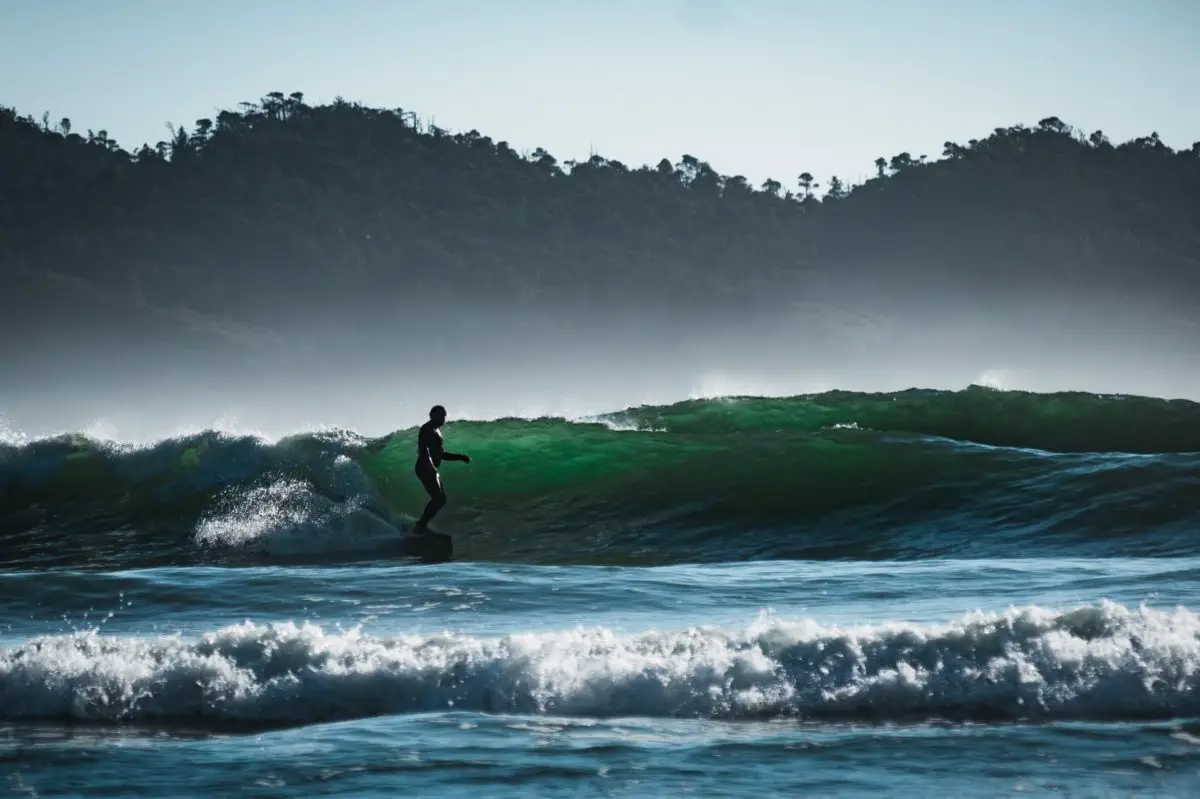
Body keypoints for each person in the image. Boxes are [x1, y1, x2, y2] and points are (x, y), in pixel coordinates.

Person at [412, 404, 470, 535]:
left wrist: (460, 457)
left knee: (440, 499)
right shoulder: (427, 429)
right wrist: (431, 466)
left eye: (444, 415)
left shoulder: (437, 431)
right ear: (432, 415)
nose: (444, 418)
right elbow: (424, 450)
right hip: (425, 466)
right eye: (441, 415)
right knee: (439, 498)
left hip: (431, 468)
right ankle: (421, 526)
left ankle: (421, 524)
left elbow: (441, 454)